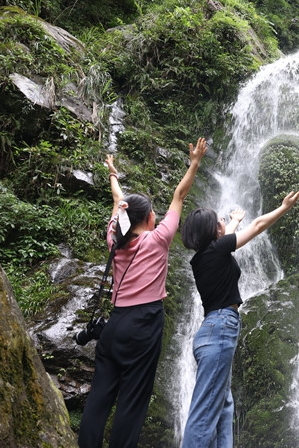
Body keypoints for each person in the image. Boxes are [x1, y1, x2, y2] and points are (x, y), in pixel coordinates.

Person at [78, 138, 208, 448]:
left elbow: (118, 202)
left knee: (99, 398)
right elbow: (180, 194)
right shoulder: (159, 239)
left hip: (114, 324)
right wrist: (194, 163)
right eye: (153, 213)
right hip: (144, 325)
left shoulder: (114, 241)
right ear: (150, 219)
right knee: (132, 401)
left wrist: (113, 174)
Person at [180, 189, 299, 447]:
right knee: (204, 413)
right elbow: (257, 226)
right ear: (215, 232)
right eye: (220, 221)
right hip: (220, 329)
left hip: (210, 332)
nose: (224, 223)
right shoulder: (218, 248)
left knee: (224, 405)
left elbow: (227, 238)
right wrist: (283, 207)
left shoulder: (202, 258)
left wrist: (235, 220)